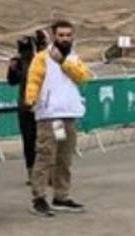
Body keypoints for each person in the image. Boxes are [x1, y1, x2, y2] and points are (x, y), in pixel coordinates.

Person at [24, 20, 91, 216]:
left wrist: (63, 62)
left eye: (68, 35)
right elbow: (33, 80)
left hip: (68, 114)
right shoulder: (42, 57)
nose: (65, 38)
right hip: (49, 115)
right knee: (46, 155)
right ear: (54, 36)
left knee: (64, 156)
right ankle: (39, 197)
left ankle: (61, 196)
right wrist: (30, 99)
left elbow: (82, 77)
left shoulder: (73, 58)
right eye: (61, 35)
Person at [7, 30, 46, 182]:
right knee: (29, 140)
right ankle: (32, 172)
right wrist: (12, 68)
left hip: (46, 106)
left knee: (47, 139)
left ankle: (47, 171)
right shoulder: (19, 61)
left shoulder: (45, 58)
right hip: (26, 107)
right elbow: (12, 81)